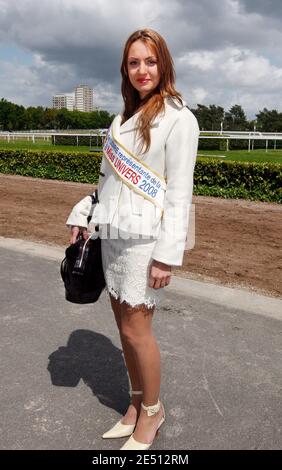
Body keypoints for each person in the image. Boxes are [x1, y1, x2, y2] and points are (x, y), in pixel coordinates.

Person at [66, 28, 200, 450]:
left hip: (146, 244)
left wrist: (166, 257)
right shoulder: (120, 120)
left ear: (164, 65)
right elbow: (106, 182)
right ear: (125, 69)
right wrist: (84, 217)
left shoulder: (180, 118)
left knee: (139, 332)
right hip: (114, 238)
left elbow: (180, 193)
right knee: (123, 329)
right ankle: (136, 402)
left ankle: (154, 413)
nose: (143, 70)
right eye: (134, 62)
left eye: (150, 61)